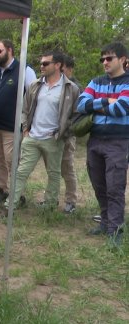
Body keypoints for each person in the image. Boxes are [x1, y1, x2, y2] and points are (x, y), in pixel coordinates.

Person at [4, 51, 80, 210]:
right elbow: (25, 109)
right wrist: (26, 130)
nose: (41, 66)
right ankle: (10, 204)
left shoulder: (71, 88)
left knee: (54, 174)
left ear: (57, 65)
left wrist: (62, 134)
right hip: (32, 137)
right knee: (21, 172)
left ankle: (50, 205)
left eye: (46, 63)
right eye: (41, 63)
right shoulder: (35, 85)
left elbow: (76, 116)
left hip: (54, 139)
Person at [77, 42, 129, 247]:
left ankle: (115, 230)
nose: (105, 62)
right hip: (95, 140)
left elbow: (122, 108)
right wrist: (107, 101)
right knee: (99, 185)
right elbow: (81, 105)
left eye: (109, 58)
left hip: (119, 142)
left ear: (123, 60)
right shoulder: (96, 81)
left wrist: (97, 104)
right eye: (102, 59)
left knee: (115, 187)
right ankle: (105, 222)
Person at [0, 39, 37, 204]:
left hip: (12, 126)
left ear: (10, 51)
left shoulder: (24, 70)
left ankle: (17, 194)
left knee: (12, 161)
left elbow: (32, 97)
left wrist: (26, 123)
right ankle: (2, 189)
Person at [58, 55, 81, 213]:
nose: (60, 71)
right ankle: (50, 198)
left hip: (67, 136)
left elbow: (78, 114)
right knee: (53, 168)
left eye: (63, 68)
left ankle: (71, 200)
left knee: (67, 167)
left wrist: (67, 130)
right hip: (51, 134)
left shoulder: (75, 88)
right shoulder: (54, 85)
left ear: (70, 69)